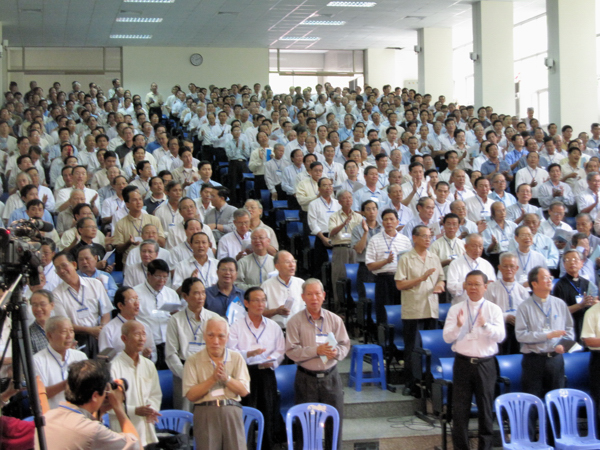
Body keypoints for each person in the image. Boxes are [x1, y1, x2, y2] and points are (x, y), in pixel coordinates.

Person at [442, 270, 505, 450]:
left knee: (485, 409)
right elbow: (447, 337)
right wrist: (459, 326)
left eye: (477, 284)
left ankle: (485, 447)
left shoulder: (493, 309)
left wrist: (485, 325)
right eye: (469, 284)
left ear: (485, 287)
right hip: (462, 363)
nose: (473, 288)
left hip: (485, 364)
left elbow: (500, 336)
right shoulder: (456, 309)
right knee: (460, 410)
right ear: (465, 286)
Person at [285, 279, 351, 450]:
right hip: (306, 379)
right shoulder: (294, 322)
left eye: (317, 294)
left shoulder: (334, 320)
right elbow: (291, 351)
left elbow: (345, 345)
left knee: (334, 425)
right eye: (309, 294)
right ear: (303, 297)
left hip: (331, 377)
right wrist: (316, 350)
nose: (314, 298)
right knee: (305, 426)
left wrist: (336, 353)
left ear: (324, 296)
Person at [227, 287, 286, 450]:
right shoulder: (236, 326)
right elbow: (231, 352)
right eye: (256, 300)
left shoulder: (273, 326)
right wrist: (249, 354)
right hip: (245, 374)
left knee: (268, 413)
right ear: (246, 303)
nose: (261, 304)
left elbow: (280, 350)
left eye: (263, 300)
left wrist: (272, 361)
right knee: (246, 413)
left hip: (267, 374)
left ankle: (268, 446)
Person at [37, 359, 140, 449]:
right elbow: (137, 447)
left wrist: (101, 411)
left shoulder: (47, 417)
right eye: (105, 391)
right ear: (95, 396)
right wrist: (118, 406)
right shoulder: (93, 431)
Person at [182, 316, 250, 450]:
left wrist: (226, 378)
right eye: (211, 335)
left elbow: (244, 391)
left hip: (231, 410)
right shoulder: (193, 360)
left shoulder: (236, 358)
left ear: (227, 337)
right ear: (204, 336)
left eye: (221, 336)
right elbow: (191, 395)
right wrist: (212, 379)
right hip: (205, 411)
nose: (216, 341)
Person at [395, 225, 445, 396]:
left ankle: (429, 383)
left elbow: (441, 278)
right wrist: (421, 278)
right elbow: (400, 284)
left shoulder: (434, 257)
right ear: (414, 238)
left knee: (430, 348)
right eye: (424, 236)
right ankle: (411, 383)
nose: (428, 239)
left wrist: (439, 285)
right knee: (413, 348)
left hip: (431, 308)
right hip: (414, 309)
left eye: (429, 236)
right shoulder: (406, 258)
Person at [166, 277, 220, 410]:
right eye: (196, 293)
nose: (201, 297)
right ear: (185, 296)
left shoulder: (214, 318)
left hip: (209, 372)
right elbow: (171, 353)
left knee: (210, 412)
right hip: (184, 371)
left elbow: (222, 349)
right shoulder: (175, 320)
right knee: (185, 414)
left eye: (203, 293)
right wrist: (186, 375)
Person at [109, 320, 162, 448]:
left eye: (144, 334)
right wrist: (134, 410)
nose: (142, 339)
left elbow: (155, 394)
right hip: (123, 433)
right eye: (137, 334)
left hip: (147, 431)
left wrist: (151, 409)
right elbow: (108, 404)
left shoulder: (148, 365)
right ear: (124, 338)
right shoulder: (113, 367)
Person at [52, 251, 113, 358]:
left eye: (64, 265)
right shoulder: (56, 294)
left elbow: (106, 312)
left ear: (74, 265)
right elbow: (64, 323)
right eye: (57, 268)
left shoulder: (95, 284)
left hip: (99, 334)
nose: (61, 271)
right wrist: (90, 330)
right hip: (76, 339)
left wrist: (102, 328)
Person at [134, 259, 182, 369]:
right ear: (148, 275)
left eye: (165, 277)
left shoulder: (171, 294)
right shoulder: (136, 293)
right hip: (147, 346)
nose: (162, 281)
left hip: (168, 344)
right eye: (158, 276)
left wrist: (176, 315)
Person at [366, 208, 412, 322]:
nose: (389, 222)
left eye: (392, 219)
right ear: (382, 222)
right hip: (383, 280)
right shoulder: (374, 240)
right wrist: (386, 261)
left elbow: (410, 263)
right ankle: (383, 333)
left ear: (397, 222)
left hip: (401, 279)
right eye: (386, 220)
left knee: (402, 312)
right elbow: (370, 266)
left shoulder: (405, 240)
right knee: (383, 314)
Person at [33, 316, 88, 409]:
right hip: (52, 415)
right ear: (49, 335)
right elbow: (39, 395)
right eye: (64, 332)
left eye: (71, 331)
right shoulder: (37, 360)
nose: (69, 336)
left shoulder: (80, 356)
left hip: (79, 413)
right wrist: (67, 383)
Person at [484, 252, 530, 355]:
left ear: (517, 268)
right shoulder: (491, 288)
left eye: (512, 266)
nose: (509, 269)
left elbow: (527, 313)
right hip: (498, 329)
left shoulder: (522, 290)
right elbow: (487, 312)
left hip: (518, 330)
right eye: (505, 266)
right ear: (499, 268)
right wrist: (505, 317)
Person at [98, 286, 156, 362]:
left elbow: (153, 353)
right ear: (120, 305)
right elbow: (105, 359)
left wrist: (148, 356)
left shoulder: (145, 326)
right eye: (132, 300)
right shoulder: (108, 330)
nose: (137, 303)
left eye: (137, 299)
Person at [552, 249, 598, 341]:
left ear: (582, 263)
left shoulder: (588, 284)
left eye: (575, 259)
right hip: (569, 328)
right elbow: (559, 312)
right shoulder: (559, 285)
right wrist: (580, 305)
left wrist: (595, 304)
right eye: (568, 260)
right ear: (564, 264)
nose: (572, 262)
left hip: (587, 327)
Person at [328, 189, 362, 311]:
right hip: (340, 248)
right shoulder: (334, 216)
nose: (348, 200)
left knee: (355, 278)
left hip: (354, 249)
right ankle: (339, 307)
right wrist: (343, 224)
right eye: (345, 198)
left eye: (350, 197)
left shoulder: (358, 216)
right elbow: (331, 233)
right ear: (339, 201)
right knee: (339, 278)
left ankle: (354, 307)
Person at [262, 250, 306, 330]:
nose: (292, 265)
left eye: (293, 261)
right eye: (287, 262)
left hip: (299, 329)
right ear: (277, 266)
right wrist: (276, 311)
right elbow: (260, 311)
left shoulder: (301, 283)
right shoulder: (266, 285)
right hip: (275, 329)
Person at [446, 234, 496, 304]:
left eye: (480, 246)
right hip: (461, 305)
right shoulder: (455, 264)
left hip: (483, 305)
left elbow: (493, 286)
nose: (477, 250)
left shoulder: (487, 264)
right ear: (466, 247)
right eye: (474, 246)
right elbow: (451, 287)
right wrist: (468, 284)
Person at [29, 289, 55, 354]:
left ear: (52, 305)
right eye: (34, 305)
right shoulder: (28, 334)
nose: (38, 309)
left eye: (42, 304)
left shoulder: (62, 327)